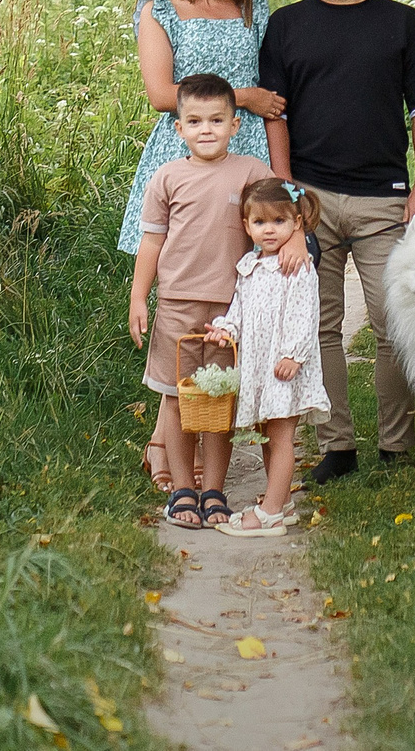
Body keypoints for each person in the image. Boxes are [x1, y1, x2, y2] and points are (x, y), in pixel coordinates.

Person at [260, 0, 415, 483]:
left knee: (394, 322)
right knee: (317, 325)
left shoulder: (401, 23)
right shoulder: (288, 25)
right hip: (311, 198)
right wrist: (284, 190)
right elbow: (276, 113)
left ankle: (397, 444)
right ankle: (337, 445)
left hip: (384, 198)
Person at [120, 0, 297, 490]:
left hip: (244, 167)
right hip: (186, 153)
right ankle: (164, 443)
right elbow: (158, 92)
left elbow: (277, 100)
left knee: (233, 292)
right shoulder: (160, 8)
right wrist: (239, 97)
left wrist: (283, 181)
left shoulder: (255, 12)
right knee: (181, 288)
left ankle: (203, 434)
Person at [127, 74, 278, 529]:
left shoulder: (251, 171)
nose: (206, 129)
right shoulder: (167, 177)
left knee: (218, 399)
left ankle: (214, 489)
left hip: (231, 309)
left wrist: (291, 244)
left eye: (217, 120)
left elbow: (287, 207)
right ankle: (182, 491)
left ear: (235, 124)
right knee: (176, 398)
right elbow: (151, 243)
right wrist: (139, 297)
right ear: (178, 129)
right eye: (194, 121)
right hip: (175, 305)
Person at [203, 178, 332, 535]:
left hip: (284, 365)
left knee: (280, 437)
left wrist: (294, 355)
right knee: (265, 432)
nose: (269, 230)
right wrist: (227, 329)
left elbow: (305, 315)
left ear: (296, 223)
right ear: (247, 226)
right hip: (257, 366)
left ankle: (271, 512)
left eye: (279, 222)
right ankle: (282, 501)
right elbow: (239, 311)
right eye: (260, 223)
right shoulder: (249, 267)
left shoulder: (297, 266)